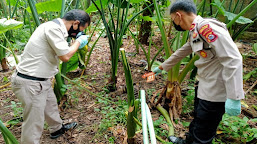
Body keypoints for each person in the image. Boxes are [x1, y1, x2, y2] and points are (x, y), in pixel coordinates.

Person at [153, 0, 244, 144]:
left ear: (178, 15)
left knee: (204, 129)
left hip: (215, 90)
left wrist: (235, 96)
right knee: (198, 119)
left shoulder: (208, 28)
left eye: (173, 20)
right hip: (203, 85)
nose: (174, 24)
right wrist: (161, 67)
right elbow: (181, 52)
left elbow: (233, 59)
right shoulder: (195, 31)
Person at [11, 9, 90, 144]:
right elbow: (65, 56)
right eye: (82, 29)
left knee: (51, 105)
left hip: (41, 79)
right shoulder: (53, 29)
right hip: (30, 82)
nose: (80, 33)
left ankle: (57, 129)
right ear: (76, 23)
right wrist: (78, 42)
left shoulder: (54, 27)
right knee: (34, 122)